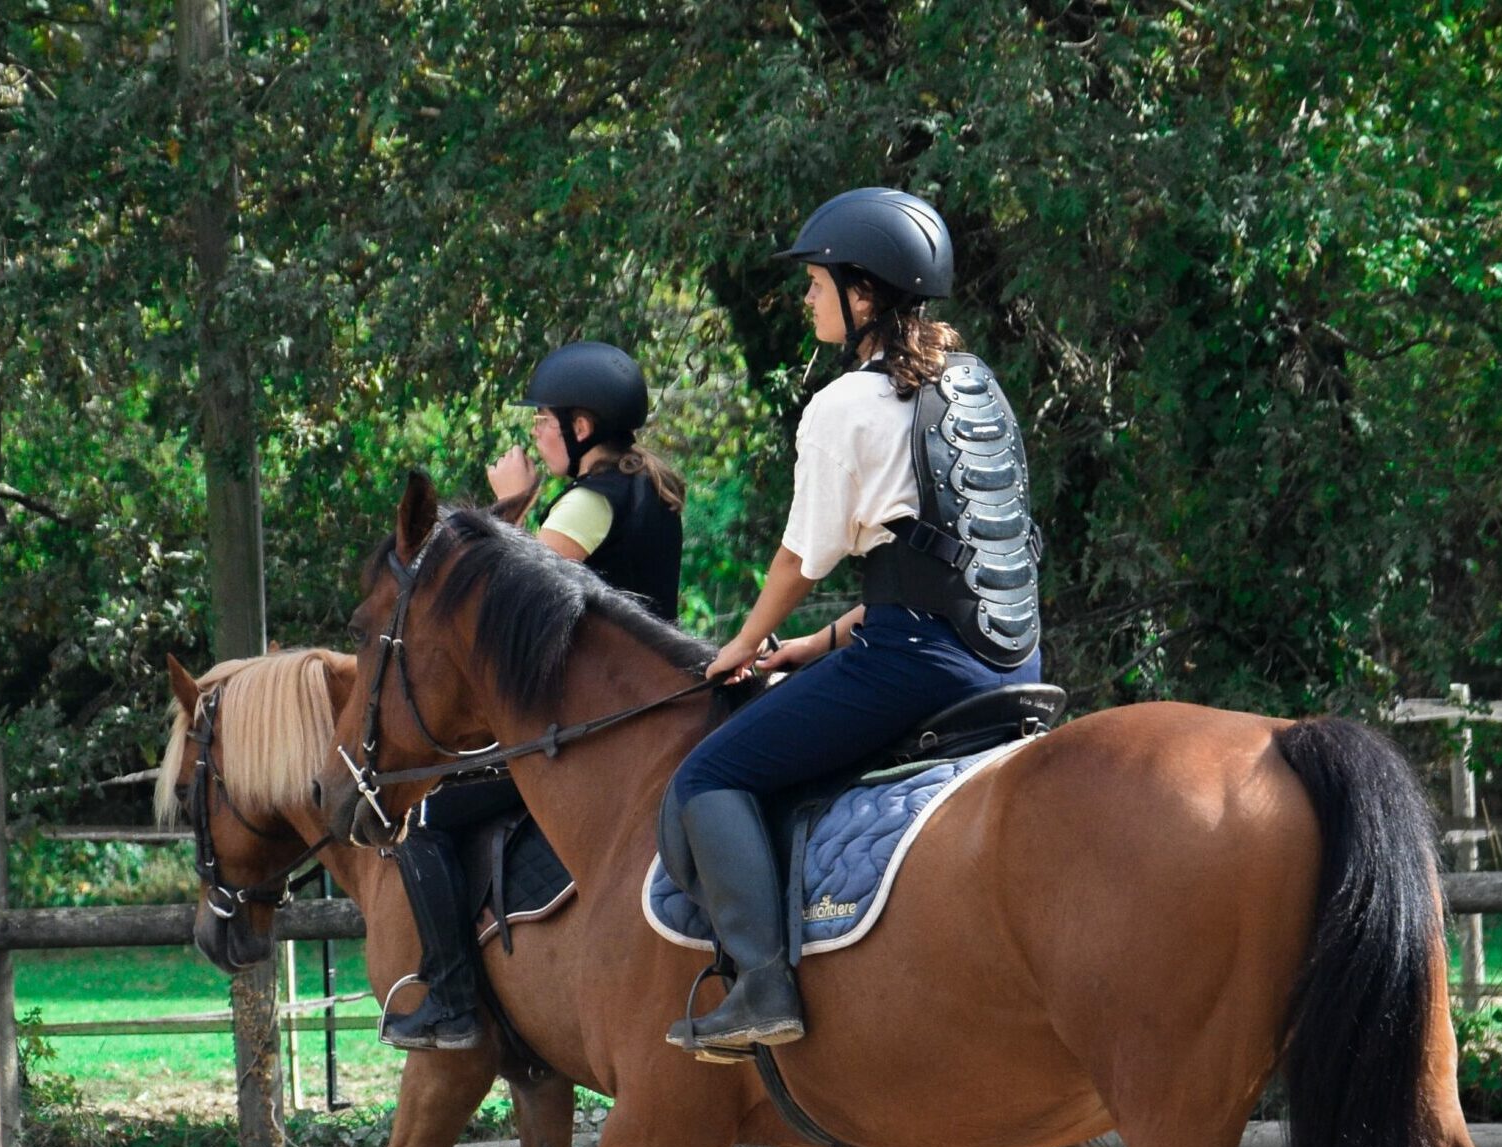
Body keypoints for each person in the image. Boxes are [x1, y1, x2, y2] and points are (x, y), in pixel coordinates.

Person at [659, 187, 1044, 1060]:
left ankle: (760, 986)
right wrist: (815, 647)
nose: (806, 298)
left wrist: (741, 644)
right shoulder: (972, 388)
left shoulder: (843, 406)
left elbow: (801, 560)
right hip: (1013, 663)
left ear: (862, 294)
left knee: (706, 778)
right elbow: (940, 563)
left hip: (916, 664)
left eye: (817, 282)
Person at [382, 342, 686, 1049]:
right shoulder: (654, 491)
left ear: (583, 425)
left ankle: (453, 998)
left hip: (582, 729)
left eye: (545, 420)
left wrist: (508, 506)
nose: (535, 433)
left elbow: (506, 608)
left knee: (426, 820)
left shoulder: (584, 503)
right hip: (644, 710)